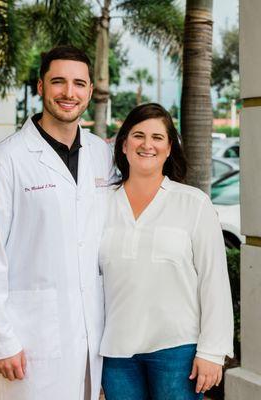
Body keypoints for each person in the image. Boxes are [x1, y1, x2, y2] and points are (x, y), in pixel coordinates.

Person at [0, 46, 113, 400]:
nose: (69, 92)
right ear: (40, 87)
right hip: (29, 338)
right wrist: (1, 341)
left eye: (79, 83)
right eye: (58, 81)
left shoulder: (103, 155)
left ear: (90, 91)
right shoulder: (6, 161)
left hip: (92, 334)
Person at [99, 103, 234, 400]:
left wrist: (212, 351)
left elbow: (214, 282)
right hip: (115, 351)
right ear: (123, 144)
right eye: (138, 135)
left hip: (178, 350)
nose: (147, 144)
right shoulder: (100, 204)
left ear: (170, 147)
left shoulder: (193, 204)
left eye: (158, 137)